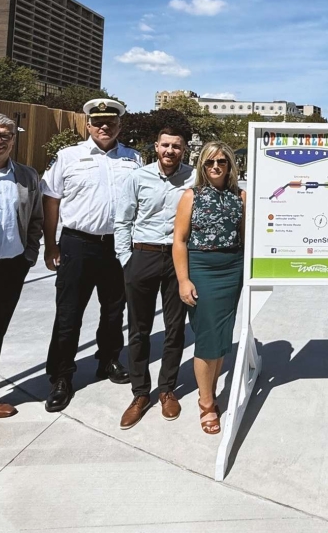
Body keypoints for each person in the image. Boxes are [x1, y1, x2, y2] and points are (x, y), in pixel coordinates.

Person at [41, 99, 143, 412]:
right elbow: (51, 200)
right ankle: (62, 375)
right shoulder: (69, 156)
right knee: (69, 312)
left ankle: (108, 360)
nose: (104, 127)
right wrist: (51, 244)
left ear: (119, 125)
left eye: (110, 122)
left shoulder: (133, 158)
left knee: (114, 310)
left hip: (117, 245)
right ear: (87, 125)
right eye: (97, 122)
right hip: (77, 244)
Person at [114, 127, 196, 429]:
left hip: (178, 258)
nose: (170, 151)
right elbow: (123, 219)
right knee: (139, 329)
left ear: (184, 149)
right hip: (143, 256)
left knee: (175, 328)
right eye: (165, 145)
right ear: (156, 146)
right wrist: (126, 259)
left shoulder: (193, 178)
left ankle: (167, 389)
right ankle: (139, 394)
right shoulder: (138, 177)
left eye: (176, 146)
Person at [173, 142, 245, 435]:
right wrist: (183, 280)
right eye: (209, 163)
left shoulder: (240, 196)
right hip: (202, 269)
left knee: (222, 336)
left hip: (232, 268)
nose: (215, 167)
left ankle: (211, 391)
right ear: (202, 167)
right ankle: (206, 403)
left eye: (222, 162)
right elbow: (179, 240)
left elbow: (245, 236)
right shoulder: (191, 196)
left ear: (230, 166)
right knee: (206, 337)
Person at [0, 113, 43, 419]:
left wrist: (28, 256)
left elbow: (35, 220)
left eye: (5, 135)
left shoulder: (27, 176)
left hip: (10, 268)